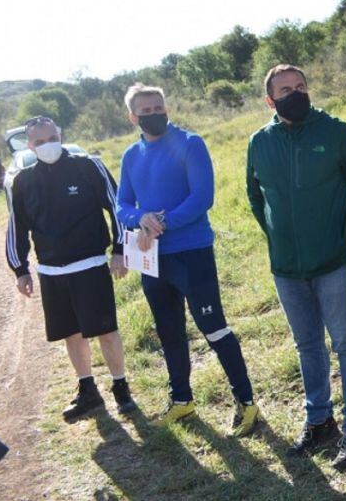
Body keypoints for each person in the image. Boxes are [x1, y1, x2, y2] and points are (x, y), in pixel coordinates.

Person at [246, 64, 346, 468]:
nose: (295, 93)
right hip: (286, 266)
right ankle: (319, 420)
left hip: (334, 260)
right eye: (285, 90)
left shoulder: (335, 131)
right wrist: (276, 235)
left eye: (300, 86)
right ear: (270, 100)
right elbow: (254, 194)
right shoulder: (260, 141)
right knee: (307, 346)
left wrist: (342, 224)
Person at [116, 84, 259, 436]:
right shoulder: (131, 156)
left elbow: (202, 197)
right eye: (145, 110)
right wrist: (140, 219)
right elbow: (122, 205)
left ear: (167, 107)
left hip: (191, 254)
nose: (154, 114)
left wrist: (161, 222)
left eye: (158, 106)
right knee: (169, 333)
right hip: (152, 260)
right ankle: (182, 400)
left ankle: (246, 401)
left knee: (214, 328)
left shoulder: (190, 143)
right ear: (133, 117)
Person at [4, 116, 137, 421]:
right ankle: (88, 390)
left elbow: (116, 207)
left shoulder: (88, 166)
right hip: (51, 272)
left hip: (90, 265)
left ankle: (121, 388)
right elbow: (17, 228)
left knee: (106, 330)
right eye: (39, 142)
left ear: (60, 136)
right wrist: (20, 270)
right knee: (72, 334)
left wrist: (120, 250)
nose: (47, 145)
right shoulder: (22, 181)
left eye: (52, 138)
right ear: (30, 145)